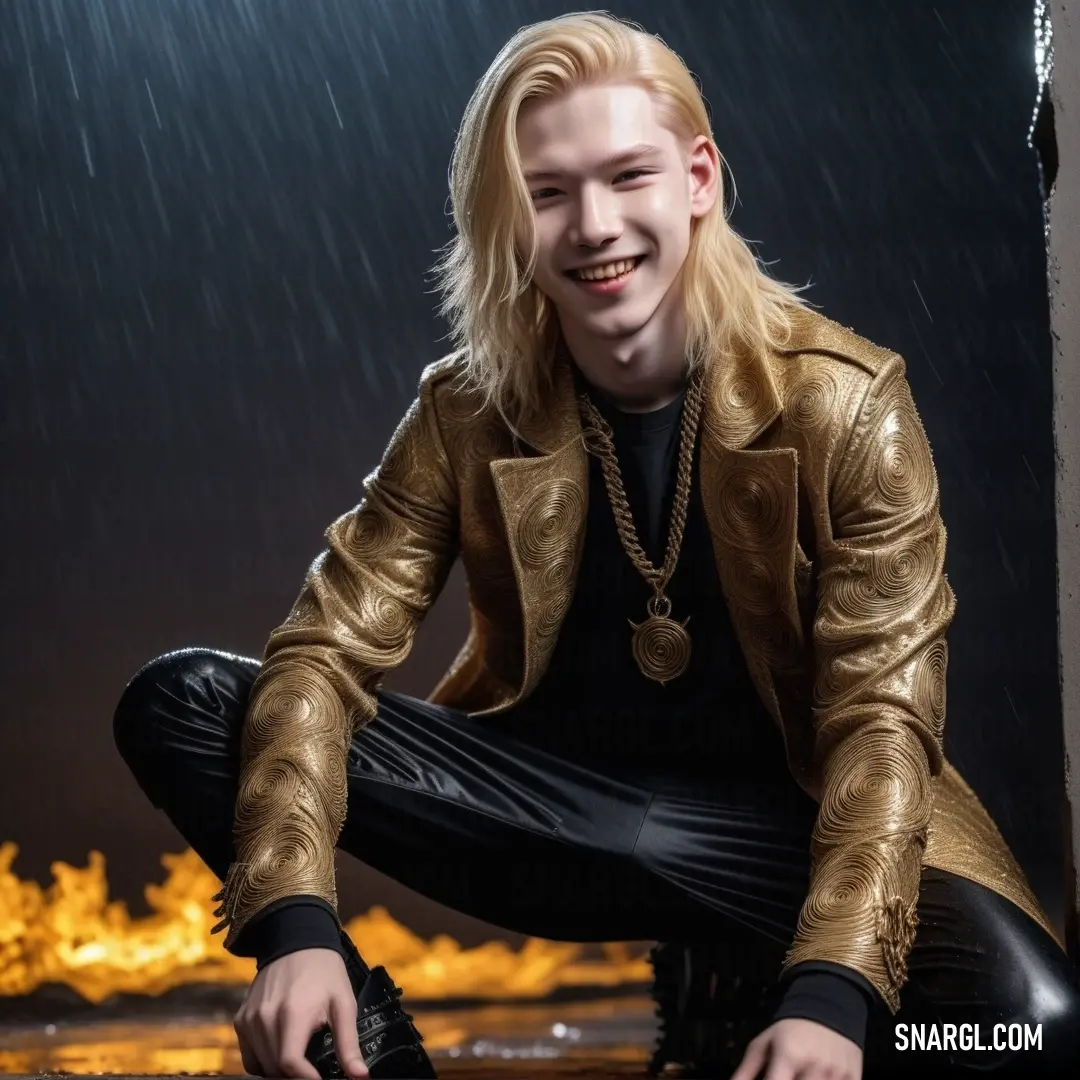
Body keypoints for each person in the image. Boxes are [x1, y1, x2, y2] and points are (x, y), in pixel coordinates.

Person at [113, 11, 1080, 1079]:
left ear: (698, 179)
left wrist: (833, 995)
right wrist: (292, 928)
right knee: (189, 702)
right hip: (571, 822)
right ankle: (363, 1048)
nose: (593, 225)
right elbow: (322, 655)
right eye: (549, 192)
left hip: (799, 836)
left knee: (1029, 1028)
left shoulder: (848, 408)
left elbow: (883, 731)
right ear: (510, 219)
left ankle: (750, 993)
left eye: (630, 176)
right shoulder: (464, 415)